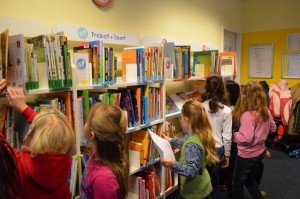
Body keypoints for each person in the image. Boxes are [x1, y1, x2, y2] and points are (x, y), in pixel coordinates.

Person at [5, 86, 75, 199]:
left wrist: (23, 108)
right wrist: (23, 108)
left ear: (33, 135)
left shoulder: (18, 163)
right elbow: (49, 128)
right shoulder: (65, 162)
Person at [161, 100, 219, 199]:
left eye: (181, 118)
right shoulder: (198, 133)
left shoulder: (192, 142)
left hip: (195, 192)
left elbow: (191, 171)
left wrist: (173, 164)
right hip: (203, 184)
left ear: (186, 120)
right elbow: (186, 146)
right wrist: (170, 140)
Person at [232, 81, 277, 199]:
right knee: (249, 180)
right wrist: (261, 134)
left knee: (237, 183)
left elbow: (246, 138)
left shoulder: (247, 115)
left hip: (246, 155)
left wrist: (234, 135)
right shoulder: (265, 111)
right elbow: (273, 128)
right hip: (259, 152)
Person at [80, 103, 129, 199]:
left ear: (92, 135)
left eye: (87, 121)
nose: (84, 123)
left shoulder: (104, 180)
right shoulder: (97, 154)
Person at [201, 74, 232, 199]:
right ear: (222, 88)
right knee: (214, 184)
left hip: (201, 147)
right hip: (217, 149)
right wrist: (227, 155)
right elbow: (227, 136)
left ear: (206, 87)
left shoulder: (200, 107)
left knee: (201, 182)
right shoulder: (226, 110)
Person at [219, 79, 240, 196]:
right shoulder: (225, 106)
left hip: (231, 142)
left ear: (230, 93)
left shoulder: (233, 110)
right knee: (225, 165)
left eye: (224, 90)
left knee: (229, 165)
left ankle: (229, 187)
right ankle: (223, 183)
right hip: (225, 141)